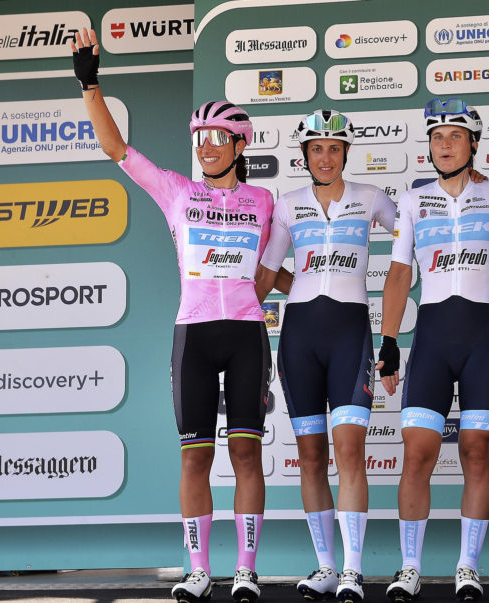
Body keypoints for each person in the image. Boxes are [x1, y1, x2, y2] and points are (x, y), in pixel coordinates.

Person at [71, 29, 273, 603]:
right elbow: (117, 149)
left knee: (246, 454)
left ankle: (247, 571)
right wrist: (90, 84)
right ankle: (199, 570)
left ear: (239, 145)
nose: (206, 146)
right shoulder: (177, 192)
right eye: (200, 137)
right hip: (193, 335)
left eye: (218, 137)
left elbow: (274, 270)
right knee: (195, 457)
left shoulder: (265, 202)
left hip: (247, 334)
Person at [256, 110, 396, 603]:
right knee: (311, 456)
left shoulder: (371, 197)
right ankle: (327, 567)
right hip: (299, 338)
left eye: (334, 148)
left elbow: (418, 234)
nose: (326, 157)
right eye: (317, 148)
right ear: (304, 155)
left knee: (350, 451)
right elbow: (267, 273)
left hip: (350, 336)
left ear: (346, 153)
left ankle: (354, 569)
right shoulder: (288, 204)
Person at [378, 99, 489, 603]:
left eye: (455, 136)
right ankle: (410, 567)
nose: (445, 145)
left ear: (473, 143)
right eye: (437, 137)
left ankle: (468, 566)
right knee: (417, 453)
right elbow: (399, 273)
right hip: (431, 337)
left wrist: (484, 281)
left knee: (477, 452)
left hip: (483, 337)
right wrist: (389, 340)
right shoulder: (414, 200)